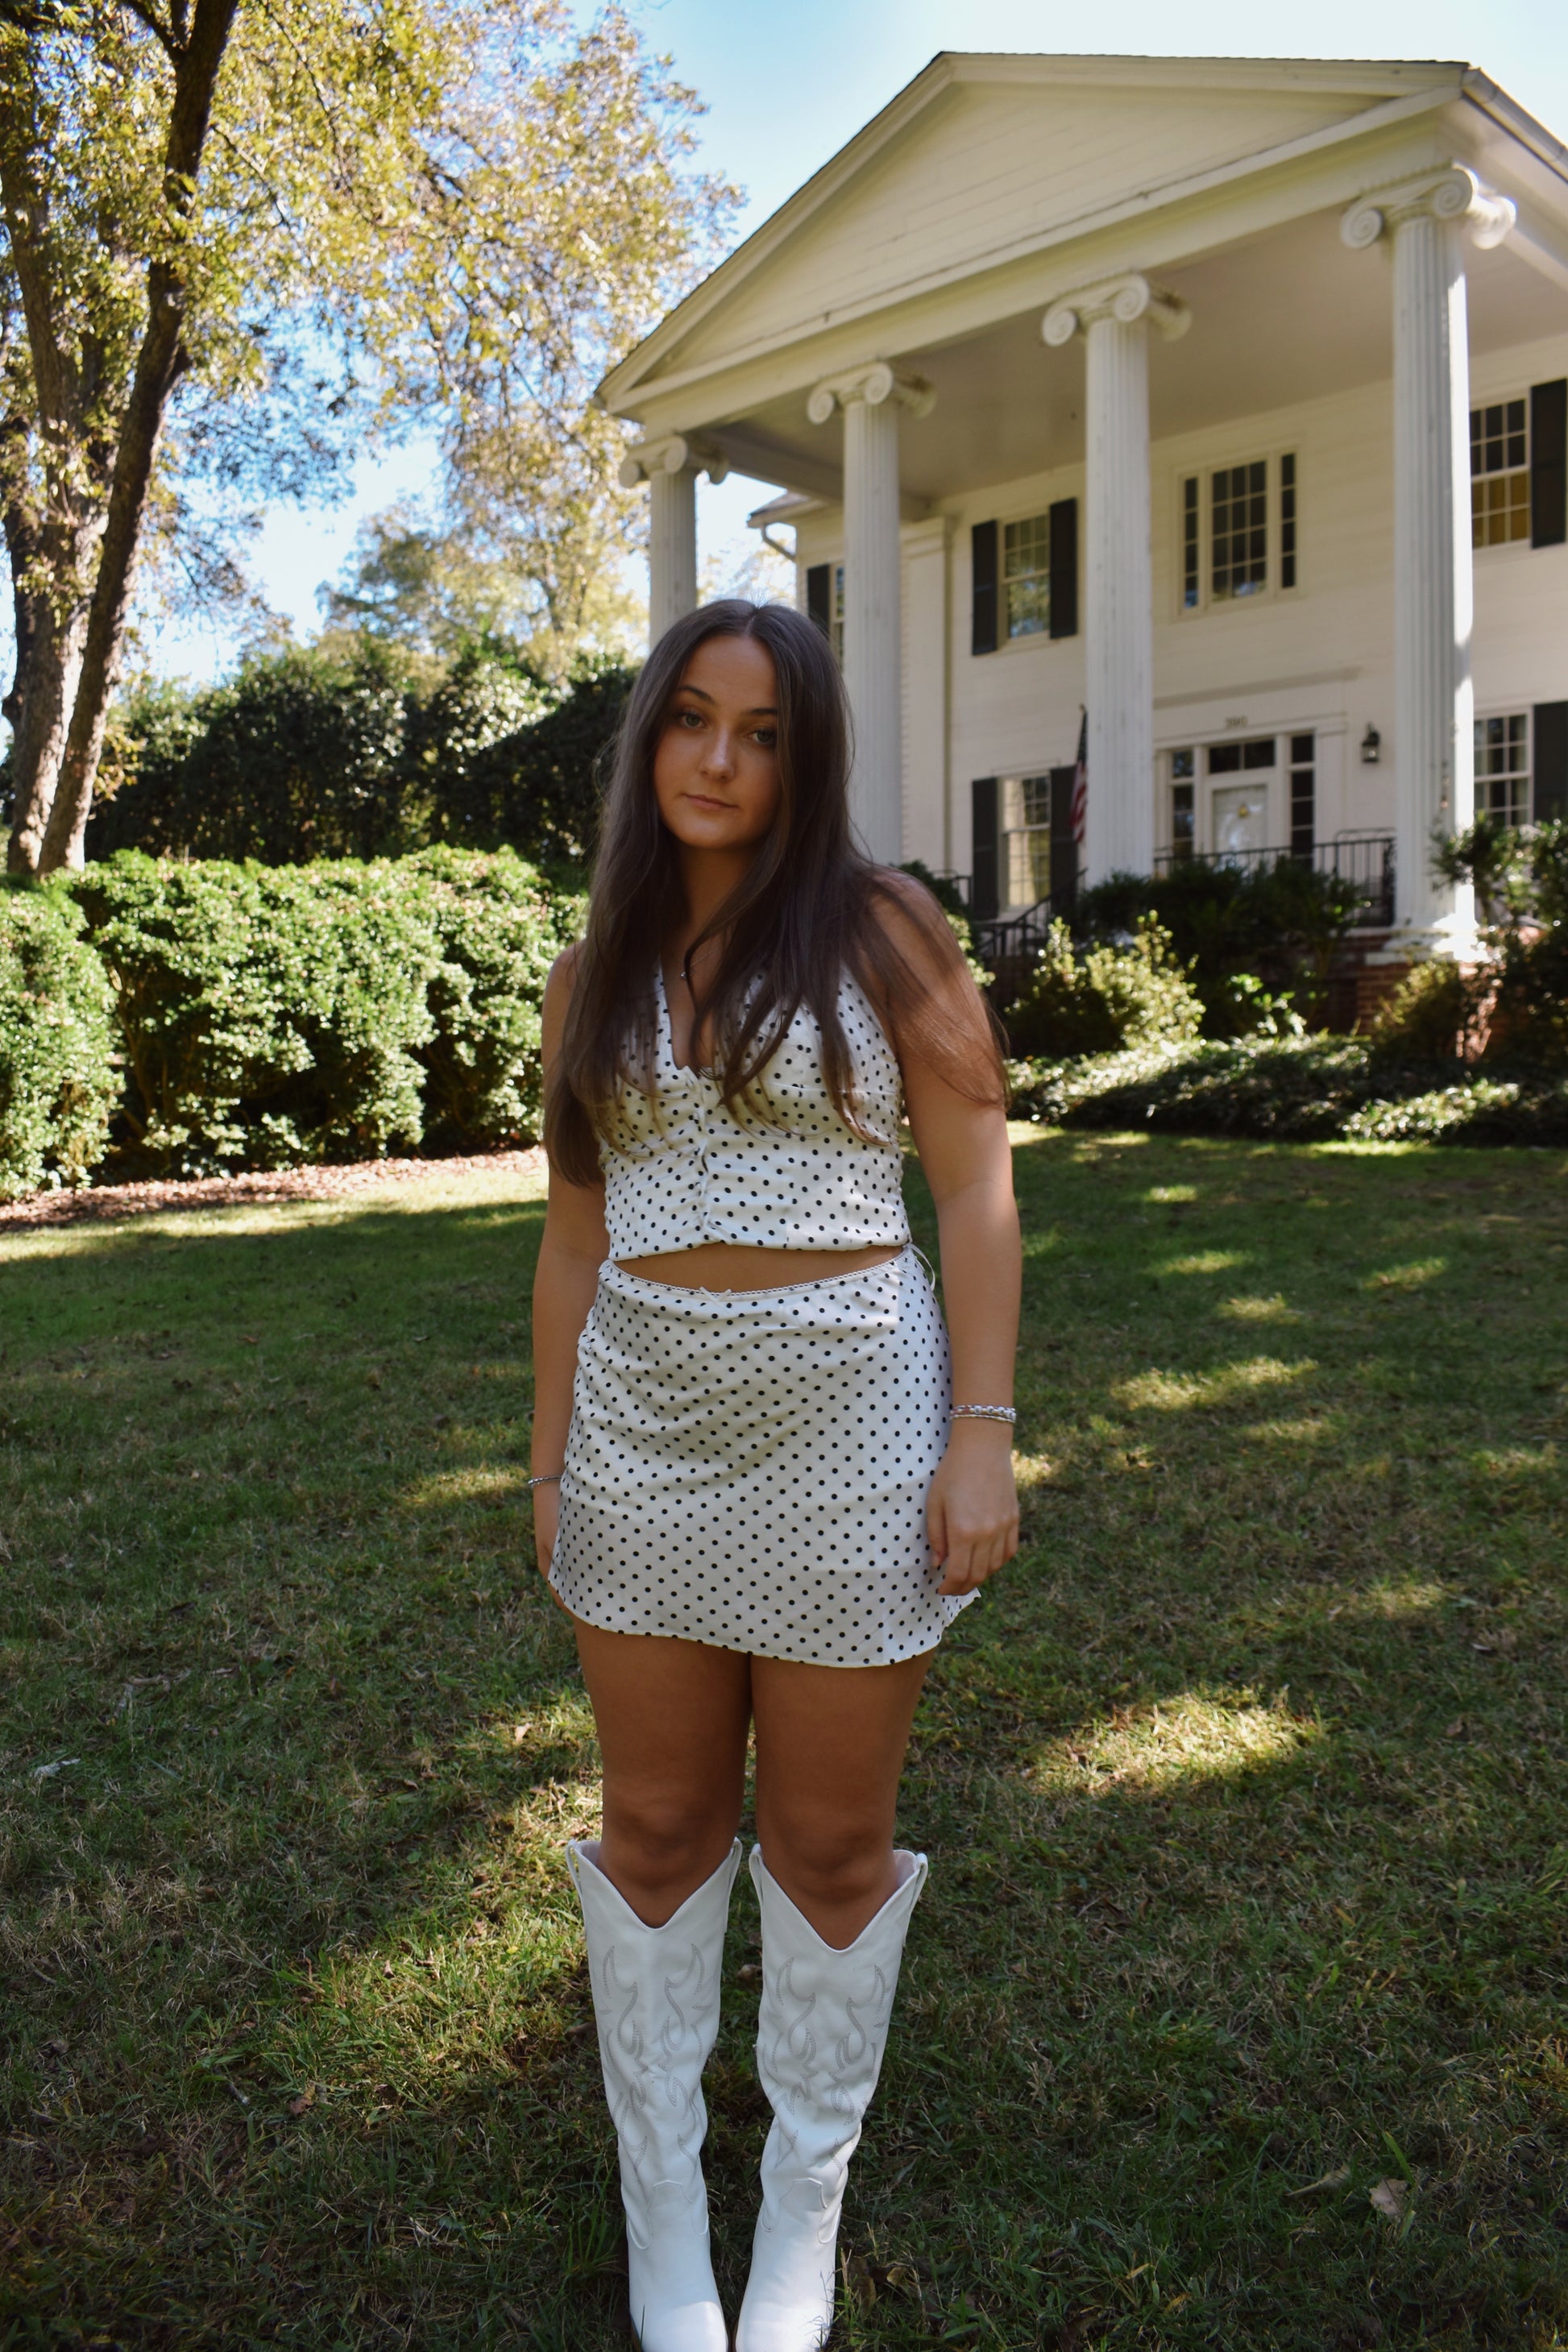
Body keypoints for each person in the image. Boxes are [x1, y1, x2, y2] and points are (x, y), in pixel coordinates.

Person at [530, 599, 1021, 2352]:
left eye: (759, 731)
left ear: (804, 760)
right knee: (656, 1826)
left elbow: (971, 1185)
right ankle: (666, 2208)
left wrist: (982, 1429)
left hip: (856, 1439)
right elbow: (573, 1232)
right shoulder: (591, 965)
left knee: (826, 1839)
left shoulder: (884, 928)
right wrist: (547, 1455)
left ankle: (793, 2218)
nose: (717, 759)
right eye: (687, 720)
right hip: (645, 1440)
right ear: (647, 737)